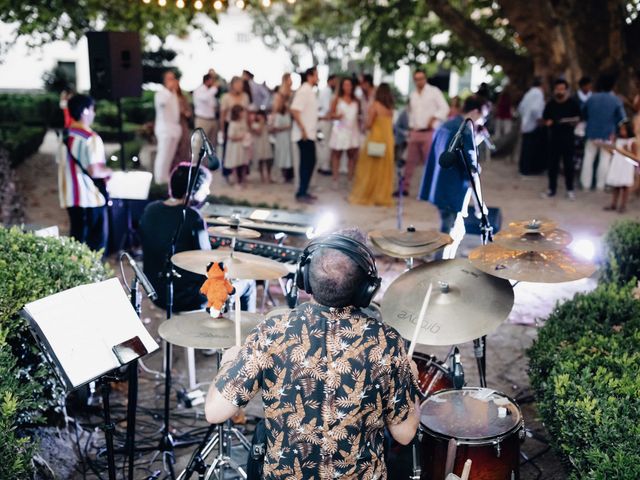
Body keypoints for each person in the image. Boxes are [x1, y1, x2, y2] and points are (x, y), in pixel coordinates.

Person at [205, 229, 420, 479]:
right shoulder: (386, 342)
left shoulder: (272, 332)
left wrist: (230, 360)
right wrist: (410, 378)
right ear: (366, 288)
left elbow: (215, 412)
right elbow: (405, 435)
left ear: (304, 277)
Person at [139, 163, 255, 313]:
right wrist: (221, 251)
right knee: (248, 283)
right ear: (194, 189)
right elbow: (206, 264)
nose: (208, 191)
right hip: (189, 297)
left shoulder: (150, 209)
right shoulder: (192, 217)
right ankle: (249, 334)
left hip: (156, 292)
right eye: (206, 187)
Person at [418, 96, 488, 259]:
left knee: (456, 230)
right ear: (475, 112)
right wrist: (480, 206)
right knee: (448, 234)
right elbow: (472, 170)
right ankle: (439, 268)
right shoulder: (464, 131)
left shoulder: (447, 124)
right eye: (483, 116)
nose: (482, 121)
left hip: (438, 186)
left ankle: (443, 266)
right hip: (452, 190)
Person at [57, 94, 112, 252]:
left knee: (77, 244)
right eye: (92, 109)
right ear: (85, 111)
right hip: (90, 198)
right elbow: (95, 171)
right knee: (95, 248)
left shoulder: (64, 136)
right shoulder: (91, 138)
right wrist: (109, 172)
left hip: (70, 197)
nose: (94, 113)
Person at [403, 69, 450, 196]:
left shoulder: (434, 92)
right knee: (409, 161)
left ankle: (432, 188)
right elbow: (412, 113)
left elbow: (445, 108)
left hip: (429, 132)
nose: (420, 81)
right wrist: (411, 128)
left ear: (425, 78)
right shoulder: (413, 95)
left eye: (422, 78)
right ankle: (404, 187)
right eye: (417, 79)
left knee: (429, 161)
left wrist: (434, 117)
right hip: (415, 131)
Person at [349, 83, 395, 207]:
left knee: (369, 169)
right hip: (388, 141)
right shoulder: (390, 108)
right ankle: (380, 195)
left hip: (375, 139)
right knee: (383, 170)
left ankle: (368, 194)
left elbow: (369, 124)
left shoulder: (375, 106)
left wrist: (363, 125)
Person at [581, 73, 627, 190]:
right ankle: (600, 185)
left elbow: (583, 113)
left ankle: (585, 184)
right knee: (605, 159)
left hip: (591, 132)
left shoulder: (592, 98)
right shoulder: (616, 100)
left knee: (588, 158)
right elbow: (622, 118)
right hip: (608, 134)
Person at [542, 78, 581, 199]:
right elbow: (545, 119)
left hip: (568, 139)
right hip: (554, 139)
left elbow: (579, 118)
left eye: (562, 89)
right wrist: (548, 123)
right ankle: (551, 189)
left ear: (566, 90)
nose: (560, 91)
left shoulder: (573, 104)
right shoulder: (550, 104)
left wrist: (571, 122)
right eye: (558, 89)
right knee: (552, 166)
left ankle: (570, 189)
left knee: (569, 165)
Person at [291, 66, 319, 203]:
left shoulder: (309, 91)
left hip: (309, 134)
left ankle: (304, 191)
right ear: (310, 76)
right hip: (305, 135)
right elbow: (295, 110)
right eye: (316, 75)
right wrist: (303, 129)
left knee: (310, 162)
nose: (318, 77)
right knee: (306, 163)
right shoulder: (304, 91)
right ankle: (301, 192)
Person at [328, 77, 361, 188]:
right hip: (340, 129)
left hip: (352, 130)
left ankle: (350, 179)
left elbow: (359, 116)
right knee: (337, 154)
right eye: (345, 85)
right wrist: (336, 116)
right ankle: (335, 179)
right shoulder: (337, 99)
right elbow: (330, 114)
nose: (348, 87)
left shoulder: (356, 100)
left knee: (352, 155)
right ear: (342, 86)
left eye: (349, 85)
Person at [154, 70, 182, 184]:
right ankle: (159, 180)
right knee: (163, 155)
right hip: (165, 129)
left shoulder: (175, 94)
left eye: (173, 78)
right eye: (170, 79)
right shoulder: (161, 94)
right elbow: (162, 104)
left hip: (174, 129)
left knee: (169, 157)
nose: (173, 81)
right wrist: (170, 91)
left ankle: (165, 178)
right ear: (165, 81)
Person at [604, 121, 637, 213]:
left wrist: (626, 151)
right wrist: (608, 148)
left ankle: (623, 206)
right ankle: (613, 204)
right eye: (621, 129)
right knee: (616, 185)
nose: (622, 131)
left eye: (624, 129)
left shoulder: (632, 142)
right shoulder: (618, 139)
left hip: (626, 166)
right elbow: (613, 152)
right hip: (617, 164)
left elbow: (635, 157)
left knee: (624, 187)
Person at [220, 76, 251, 175]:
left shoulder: (245, 96)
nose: (239, 86)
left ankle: (242, 174)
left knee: (244, 149)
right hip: (231, 125)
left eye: (241, 84)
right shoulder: (226, 97)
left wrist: (248, 126)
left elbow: (247, 112)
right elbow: (223, 115)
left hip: (243, 125)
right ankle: (229, 173)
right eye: (237, 84)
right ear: (233, 85)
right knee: (229, 150)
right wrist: (222, 130)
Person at [517, 77, 547, 175]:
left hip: (526, 124)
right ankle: (530, 169)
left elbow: (521, 108)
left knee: (526, 148)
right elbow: (535, 109)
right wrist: (540, 120)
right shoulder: (538, 93)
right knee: (532, 149)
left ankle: (524, 169)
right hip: (533, 125)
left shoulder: (528, 93)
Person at [317, 74, 338, 175]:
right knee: (325, 144)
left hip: (323, 120)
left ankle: (322, 165)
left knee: (322, 143)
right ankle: (324, 166)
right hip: (325, 121)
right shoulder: (327, 91)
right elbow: (327, 108)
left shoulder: (325, 91)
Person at [271, 88, 294, 183]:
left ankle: (286, 175)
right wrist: (285, 127)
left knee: (287, 155)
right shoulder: (278, 114)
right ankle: (280, 174)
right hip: (281, 138)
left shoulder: (288, 112)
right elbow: (275, 127)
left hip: (287, 137)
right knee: (280, 154)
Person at [226, 105, 250, 188]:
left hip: (243, 146)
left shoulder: (243, 122)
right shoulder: (232, 123)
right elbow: (230, 136)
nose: (243, 113)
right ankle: (236, 182)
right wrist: (241, 137)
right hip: (235, 147)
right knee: (235, 165)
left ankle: (243, 181)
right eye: (241, 112)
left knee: (244, 164)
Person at [193, 73, 219, 149]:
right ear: (208, 80)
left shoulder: (210, 91)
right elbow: (205, 98)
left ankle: (209, 161)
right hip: (202, 120)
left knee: (211, 146)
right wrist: (214, 88)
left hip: (212, 120)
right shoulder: (199, 90)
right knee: (199, 144)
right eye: (212, 80)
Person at [171, 80, 193, 170]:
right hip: (172, 124)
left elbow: (189, 112)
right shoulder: (169, 98)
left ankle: (184, 166)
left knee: (184, 145)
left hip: (182, 123)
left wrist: (185, 112)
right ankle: (174, 167)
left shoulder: (183, 98)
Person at [252, 110, 273, 183]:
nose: (260, 117)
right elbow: (259, 132)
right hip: (259, 144)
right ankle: (262, 177)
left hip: (266, 143)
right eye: (259, 115)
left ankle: (269, 176)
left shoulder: (266, 124)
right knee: (260, 161)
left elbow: (271, 131)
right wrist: (261, 123)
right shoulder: (254, 124)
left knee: (268, 160)